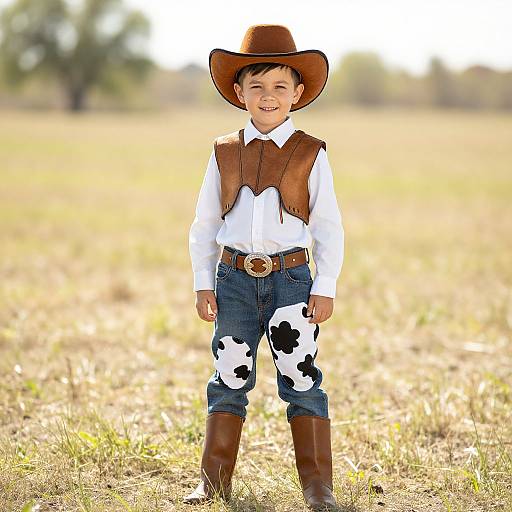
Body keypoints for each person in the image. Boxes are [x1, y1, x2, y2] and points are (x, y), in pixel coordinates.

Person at [185, 24, 344, 510]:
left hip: (292, 281)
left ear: (298, 93)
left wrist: (326, 284)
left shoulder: (310, 153)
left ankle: (318, 488)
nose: (268, 96)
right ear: (239, 92)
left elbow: (329, 226)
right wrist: (201, 281)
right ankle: (213, 484)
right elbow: (204, 222)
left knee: (300, 377)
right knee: (229, 377)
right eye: (256, 86)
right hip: (232, 281)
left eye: (280, 86)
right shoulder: (224, 152)